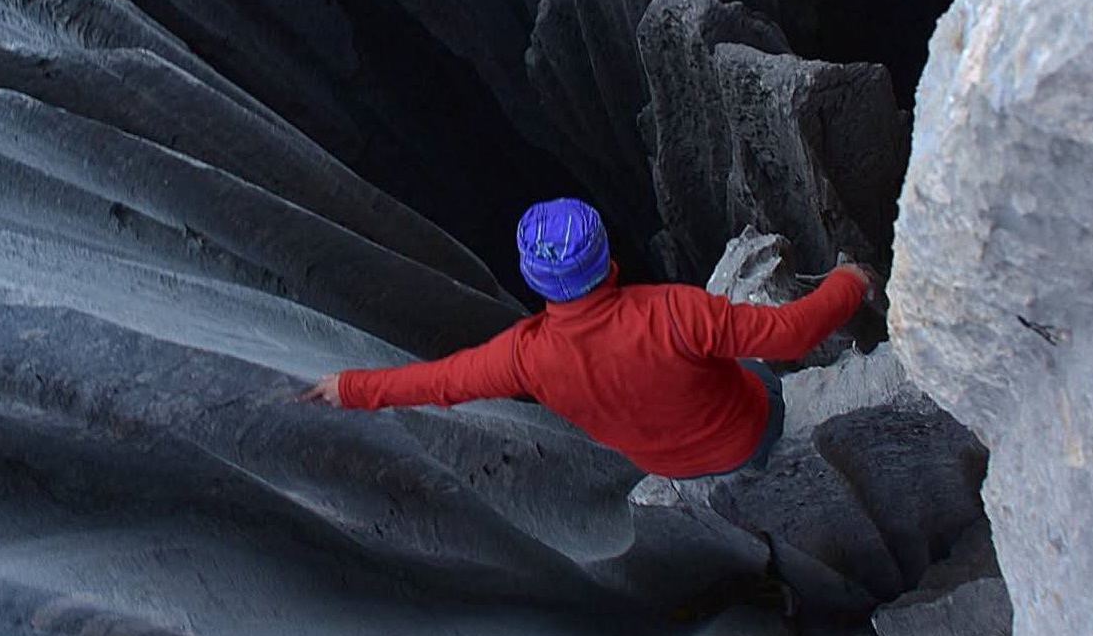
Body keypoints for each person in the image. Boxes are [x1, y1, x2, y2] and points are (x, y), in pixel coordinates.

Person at [300, 197, 879, 479]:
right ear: (607, 259)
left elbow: (440, 382)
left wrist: (348, 387)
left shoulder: (523, 358)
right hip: (748, 433)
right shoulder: (674, 312)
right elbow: (791, 335)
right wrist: (849, 282)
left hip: (666, 465)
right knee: (759, 373)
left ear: (534, 282)